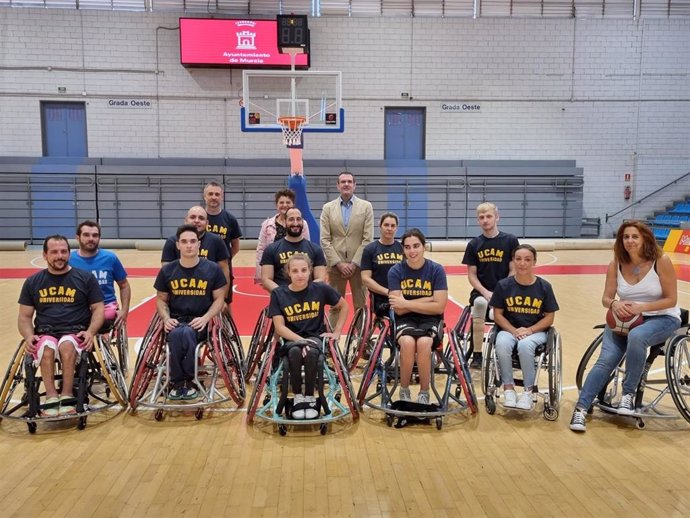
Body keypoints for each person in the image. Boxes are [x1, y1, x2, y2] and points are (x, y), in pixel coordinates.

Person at [570, 221, 680, 432]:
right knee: (605, 361)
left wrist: (642, 307)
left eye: (634, 236)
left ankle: (627, 394)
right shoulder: (616, 264)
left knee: (638, 336)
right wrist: (614, 303)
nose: (630, 241)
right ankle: (581, 408)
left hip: (662, 318)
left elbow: (671, 300)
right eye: (626, 237)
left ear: (645, 238)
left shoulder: (661, 261)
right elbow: (606, 298)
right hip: (624, 319)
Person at [17, 235, 105, 416]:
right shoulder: (33, 282)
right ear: (45, 255)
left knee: (66, 345)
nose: (60, 256)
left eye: (64, 251)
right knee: (47, 348)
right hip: (45, 332)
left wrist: (90, 332)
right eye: (54, 252)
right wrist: (28, 336)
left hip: (75, 331)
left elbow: (98, 309)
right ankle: (51, 396)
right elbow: (25, 317)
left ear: (69, 254)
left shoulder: (85, 278)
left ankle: (66, 394)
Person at [269, 253, 348, 419]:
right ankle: (298, 396)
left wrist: (337, 331)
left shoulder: (320, 289)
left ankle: (310, 396)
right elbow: (279, 327)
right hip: (290, 339)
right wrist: (300, 340)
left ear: (310, 271)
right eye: (295, 271)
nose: (300, 274)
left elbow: (344, 305)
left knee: (312, 353)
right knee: (295, 352)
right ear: (288, 273)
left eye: (304, 270)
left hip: (315, 338)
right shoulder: (278, 294)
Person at [154, 224, 227, 400]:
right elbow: (161, 299)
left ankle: (180, 381)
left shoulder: (212, 269)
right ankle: (185, 380)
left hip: (202, 321)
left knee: (184, 332)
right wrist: (165, 318)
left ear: (199, 244)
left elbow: (219, 299)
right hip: (176, 320)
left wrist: (206, 318)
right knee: (181, 331)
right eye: (184, 242)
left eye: (193, 241)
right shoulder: (167, 270)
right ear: (177, 245)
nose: (189, 245)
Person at [489, 244, 559, 410]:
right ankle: (508, 388)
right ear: (513, 261)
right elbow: (497, 314)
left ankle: (528, 391)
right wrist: (513, 331)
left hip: (536, 331)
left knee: (525, 344)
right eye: (518, 259)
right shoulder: (504, 285)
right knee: (501, 344)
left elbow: (550, 317)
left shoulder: (544, 287)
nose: (522, 263)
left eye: (527, 259)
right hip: (509, 329)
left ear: (534, 262)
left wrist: (530, 330)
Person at [388, 229, 448, 405]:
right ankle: (404, 389)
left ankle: (424, 391)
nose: (412, 251)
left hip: (431, 319)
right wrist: (428, 299)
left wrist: (406, 303)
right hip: (405, 319)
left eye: (416, 246)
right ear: (403, 250)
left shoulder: (436, 270)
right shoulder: (396, 271)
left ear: (424, 246)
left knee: (424, 343)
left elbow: (440, 306)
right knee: (407, 343)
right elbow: (397, 310)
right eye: (407, 247)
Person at [462, 202, 520, 369]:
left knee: (511, 309)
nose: (485, 220)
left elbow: (513, 271)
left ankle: (512, 351)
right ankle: (477, 354)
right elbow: (472, 275)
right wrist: (486, 292)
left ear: (497, 217)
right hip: (482, 292)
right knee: (480, 304)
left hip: (506, 290)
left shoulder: (510, 240)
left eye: (488, 216)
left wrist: (500, 293)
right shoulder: (474, 244)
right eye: (481, 217)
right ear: (478, 221)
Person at [320, 171, 374, 323]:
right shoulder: (327, 208)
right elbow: (325, 240)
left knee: (361, 307)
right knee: (335, 306)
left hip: (359, 267)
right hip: (336, 268)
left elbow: (367, 239)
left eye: (349, 182)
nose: (346, 184)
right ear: (338, 186)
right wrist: (339, 264)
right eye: (343, 182)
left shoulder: (366, 207)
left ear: (354, 185)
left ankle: (361, 343)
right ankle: (331, 342)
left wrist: (354, 263)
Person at [161, 206, 230, 302]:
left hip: (209, 299)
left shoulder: (216, 241)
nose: (197, 221)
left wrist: (223, 299)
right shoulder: (172, 242)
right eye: (192, 217)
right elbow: (165, 274)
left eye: (201, 218)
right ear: (185, 220)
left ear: (207, 223)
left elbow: (225, 272)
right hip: (179, 298)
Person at [69, 220, 131, 327]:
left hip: (106, 306)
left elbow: (124, 285)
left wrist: (124, 311)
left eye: (95, 235)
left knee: (101, 319)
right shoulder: (69, 260)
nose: (91, 239)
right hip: (78, 307)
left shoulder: (110, 258)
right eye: (86, 235)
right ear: (77, 237)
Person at [260, 207, 327, 292]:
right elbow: (266, 279)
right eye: (291, 219)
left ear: (303, 222)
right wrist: (283, 294)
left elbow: (320, 278)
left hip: (308, 300)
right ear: (285, 222)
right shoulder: (271, 249)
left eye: (298, 219)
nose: (295, 223)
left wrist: (306, 292)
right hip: (282, 300)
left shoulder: (316, 249)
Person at [255, 188, 310, 284]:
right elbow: (261, 250)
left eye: (288, 202)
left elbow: (307, 248)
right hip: (274, 270)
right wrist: (261, 275)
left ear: (293, 204)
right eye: (281, 202)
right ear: (276, 205)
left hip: (297, 270)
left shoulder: (302, 224)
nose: (285, 205)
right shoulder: (267, 225)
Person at [203, 181, 243, 309]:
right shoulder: (198, 218)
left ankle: (229, 329)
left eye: (217, 194)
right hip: (201, 268)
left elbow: (236, 246)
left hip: (223, 269)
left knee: (225, 305)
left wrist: (224, 259)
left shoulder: (230, 219)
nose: (213, 197)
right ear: (205, 196)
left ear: (222, 197)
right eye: (210, 194)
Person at [361, 212, 404, 317]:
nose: (389, 228)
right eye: (386, 225)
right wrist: (388, 292)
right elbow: (365, 279)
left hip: (402, 296)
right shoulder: (370, 249)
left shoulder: (402, 248)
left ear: (396, 228)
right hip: (381, 298)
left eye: (393, 226)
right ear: (380, 226)